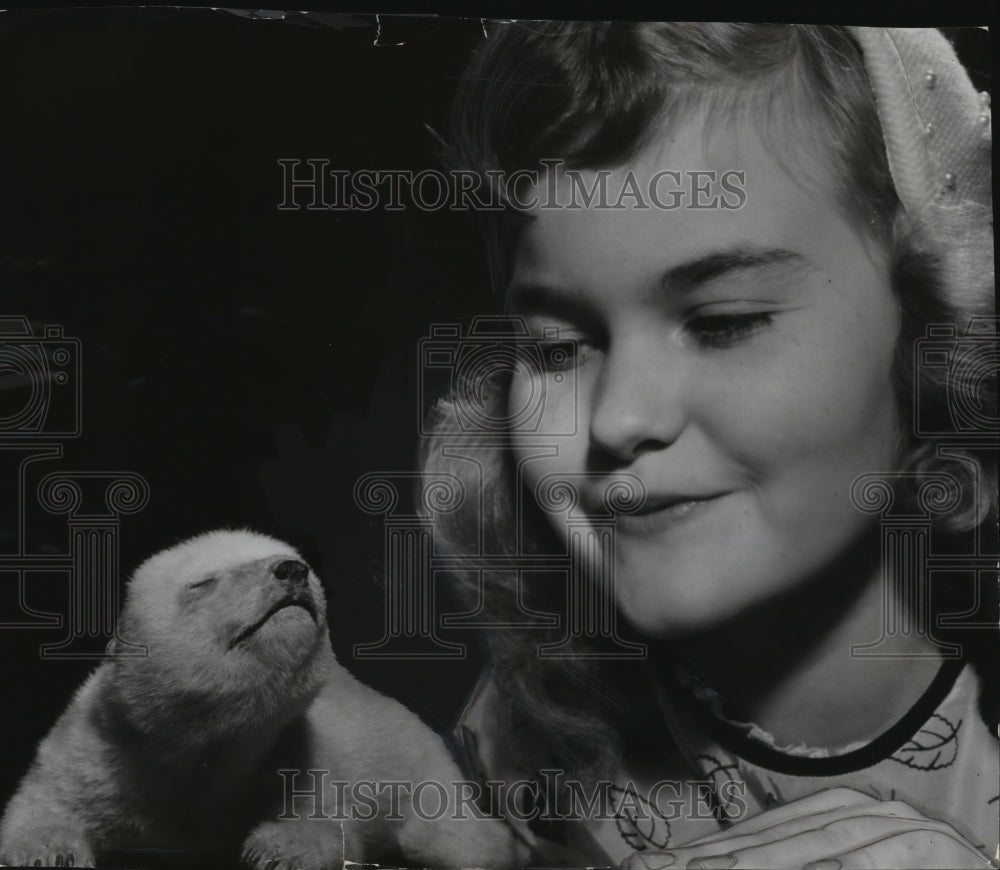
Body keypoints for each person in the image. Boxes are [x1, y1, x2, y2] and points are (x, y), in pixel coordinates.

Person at [418, 23, 997, 869]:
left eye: (722, 326)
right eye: (552, 347)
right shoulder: (524, 734)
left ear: (937, 342)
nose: (618, 419)